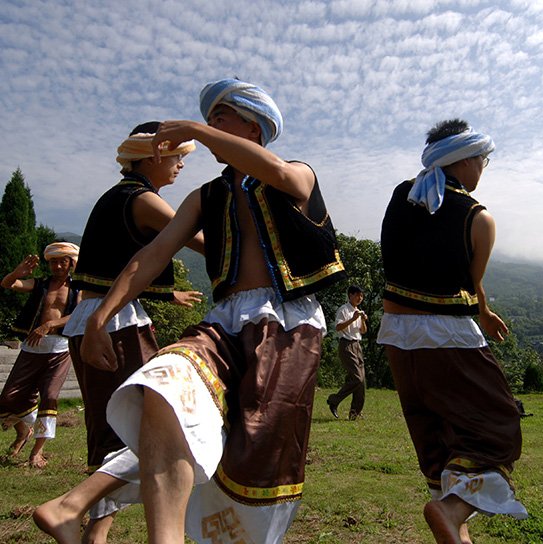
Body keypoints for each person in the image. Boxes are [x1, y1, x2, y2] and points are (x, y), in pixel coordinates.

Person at [34, 78, 346, 544]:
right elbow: (153, 255)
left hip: (287, 323)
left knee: (259, 450)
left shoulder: (297, 172)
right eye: (209, 117)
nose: (209, 125)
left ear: (254, 125)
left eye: (221, 116)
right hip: (224, 323)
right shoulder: (205, 197)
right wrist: (99, 317)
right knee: (163, 387)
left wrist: (197, 131)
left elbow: (281, 175)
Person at [378, 119, 527, 544]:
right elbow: (468, 277)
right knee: (496, 429)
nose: (484, 167)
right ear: (464, 159)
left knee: (436, 437)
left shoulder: (400, 196)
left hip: (397, 335)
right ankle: (452, 508)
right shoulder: (478, 217)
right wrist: (478, 309)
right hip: (448, 336)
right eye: (483, 159)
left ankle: (456, 532)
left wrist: (484, 309)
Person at [58, 122, 203, 543]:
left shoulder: (117, 197)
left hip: (100, 316)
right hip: (115, 323)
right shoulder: (144, 201)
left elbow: (121, 265)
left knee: (118, 429)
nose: (180, 165)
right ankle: (75, 513)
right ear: (154, 154)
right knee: (147, 430)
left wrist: (165, 293)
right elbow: (203, 242)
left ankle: (93, 533)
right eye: (177, 156)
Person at [0, 242, 80, 468]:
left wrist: (50, 324)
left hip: (59, 349)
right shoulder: (40, 284)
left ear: (71, 263)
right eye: (53, 261)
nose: (57, 265)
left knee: (50, 396)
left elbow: (80, 313)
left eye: (62, 261)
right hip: (32, 347)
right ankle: (24, 431)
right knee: (8, 398)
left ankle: (37, 452)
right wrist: (17, 273)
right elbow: (8, 284)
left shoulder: (78, 288)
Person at [327, 285, 368, 420]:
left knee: (361, 381)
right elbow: (338, 327)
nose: (359, 298)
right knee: (357, 377)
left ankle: (354, 412)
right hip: (346, 345)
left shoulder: (358, 311)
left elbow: (363, 331)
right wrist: (353, 318)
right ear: (350, 295)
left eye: (361, 296)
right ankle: (334, 400)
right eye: (357, 295)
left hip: (357, 345)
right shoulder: (343, 310)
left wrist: (361, 319)